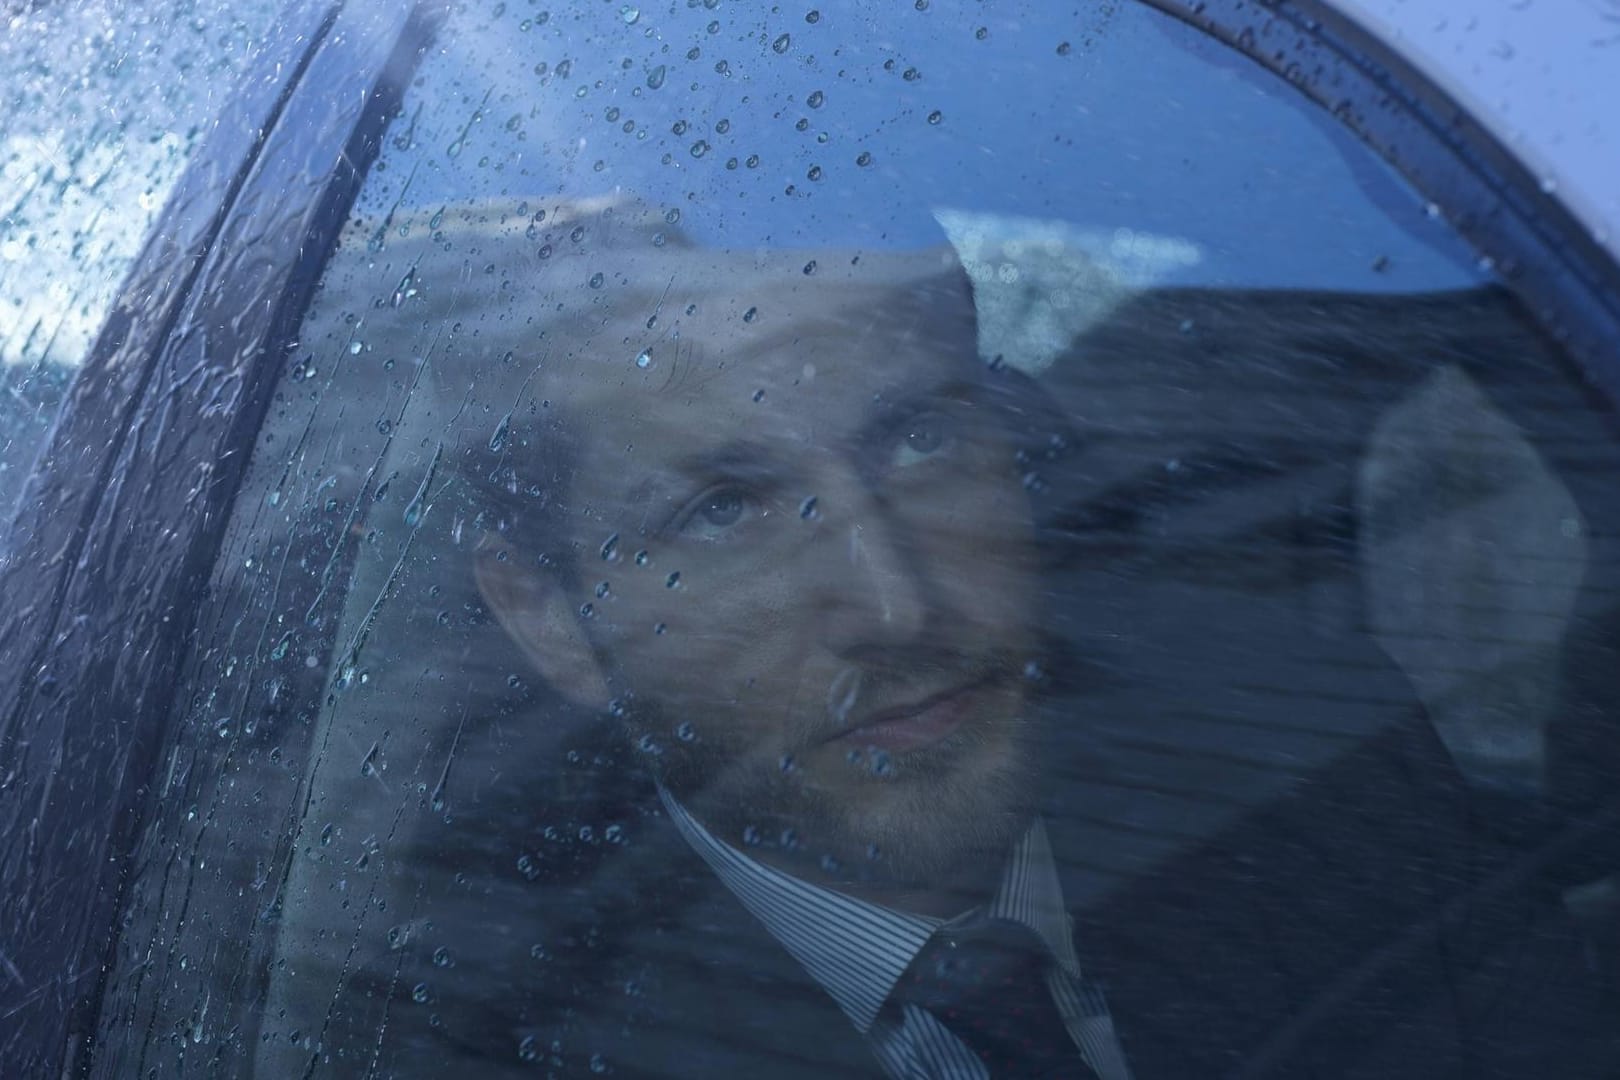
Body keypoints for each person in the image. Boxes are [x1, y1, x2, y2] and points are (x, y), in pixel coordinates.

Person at [257, 199, 1617, 1079]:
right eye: (723, 511)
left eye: (922, 439)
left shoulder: (1322, 773)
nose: (896, 604)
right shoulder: (477, 1028)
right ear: (546, 616)